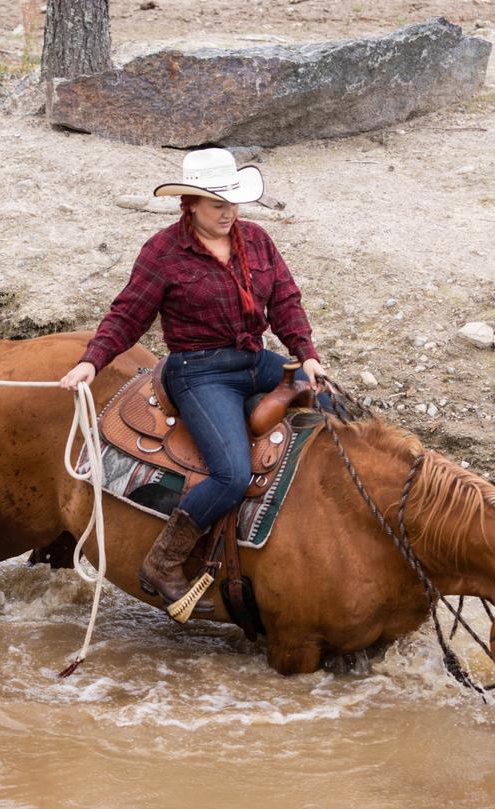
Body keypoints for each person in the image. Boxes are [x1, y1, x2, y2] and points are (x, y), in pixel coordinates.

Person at [60, 147, 328, 618]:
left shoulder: (258, 241)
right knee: (231, 472)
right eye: (217, 205)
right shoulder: (163, 253)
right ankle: (163, 561)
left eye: (232, 203)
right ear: (191, 205)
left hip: (253, 360)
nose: (229, 213)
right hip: (199, 372)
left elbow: (286, 302)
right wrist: (92, 362)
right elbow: (128, 315)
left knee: (338, 410)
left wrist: (306, 355)